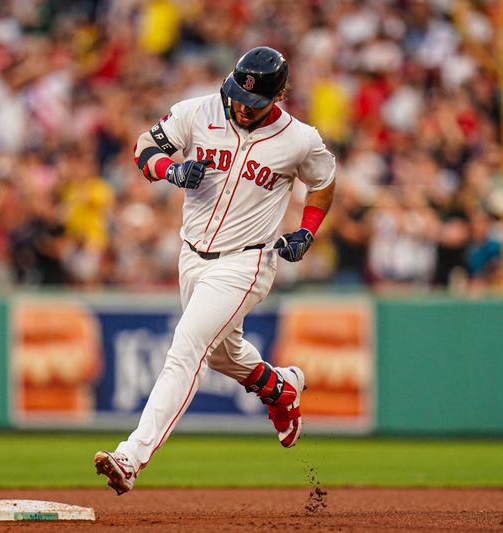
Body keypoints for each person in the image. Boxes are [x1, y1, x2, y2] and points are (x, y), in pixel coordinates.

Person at [94, 46, 337, 495]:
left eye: (255, 101)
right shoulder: (197, 111)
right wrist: (172, 170)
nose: (242, 106)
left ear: (279, 96)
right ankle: (281, 388)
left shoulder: (298, 138)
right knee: (224, 353)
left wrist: (307, 231)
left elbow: (323, 181)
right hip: (192, 255)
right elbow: (144, 148)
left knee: (187, 347)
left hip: (248, 260)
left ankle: (131, 456)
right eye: (237, 95)